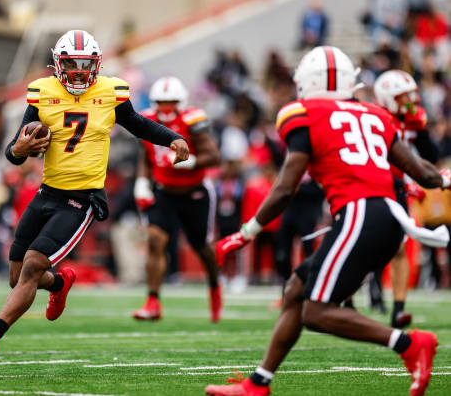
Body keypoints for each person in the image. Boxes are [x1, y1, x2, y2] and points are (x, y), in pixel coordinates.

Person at [206, 46, 449, 396]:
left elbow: (285, 188)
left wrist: (246, 232)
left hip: (360, 214)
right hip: (388, 215)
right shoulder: (376, 114)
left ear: (309, 82)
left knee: (316, 312)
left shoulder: (302, 114)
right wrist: (444, 178)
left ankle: (408, 344)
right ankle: (258, 383)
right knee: (295, 291)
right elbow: (422, 172)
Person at [0, 30, 189, 363]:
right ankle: (58, 284)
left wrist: (172, 138)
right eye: (71, 64)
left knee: (31, 266)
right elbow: (14, 152)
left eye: (84, 65)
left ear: (96, 65)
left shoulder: (110, 92)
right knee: (17, 277)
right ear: (58, 65)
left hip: (82, 198)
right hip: (46, 193)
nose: (77, 72)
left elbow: (138, 123)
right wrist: (18, 149)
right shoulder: (42, 93)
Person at [132, 76, 222, 322]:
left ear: (180, 102)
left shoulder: (192, 119)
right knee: (155, 240)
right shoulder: (146, 119)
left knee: (202, 248)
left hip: (194, 192)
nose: (166, 107)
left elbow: (214, 156)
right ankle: (152, 301)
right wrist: (142, 181)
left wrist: (192, 161)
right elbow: (146, 155)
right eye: (161, 102)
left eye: (171, 102)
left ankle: (215, 287)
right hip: (164, 191)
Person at [371, 69, 439, 326]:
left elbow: (430, 156)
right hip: (373, 186)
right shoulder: (375, 118)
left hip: (397, 189)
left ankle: (398, 308)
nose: (411, 101)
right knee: (366, 245)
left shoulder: (411, 121)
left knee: (399, 247)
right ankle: (352, 299)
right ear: (387, 97)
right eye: (403, 96)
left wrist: (421, 130)